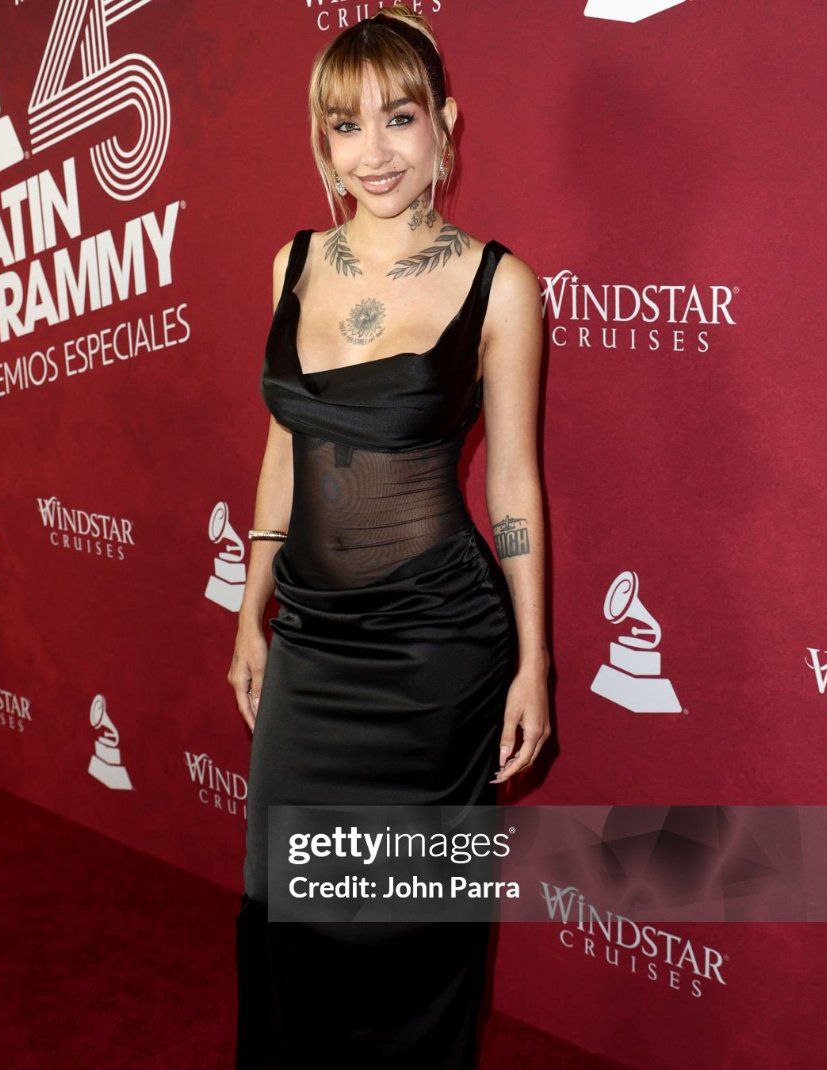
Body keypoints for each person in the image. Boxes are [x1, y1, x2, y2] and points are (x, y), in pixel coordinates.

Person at [229, 6, 549, 1067]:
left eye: (399, 117)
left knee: (414, 932)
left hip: (434, 651)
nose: (372, 151)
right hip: (313, 643)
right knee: (286, 911)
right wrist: (250, 612)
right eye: (345, 125)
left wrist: (533, 662)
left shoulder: (499, 285)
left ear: (444, 122)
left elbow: (512, 481)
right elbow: (284, 452)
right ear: (321, 140)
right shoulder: (291, 264)